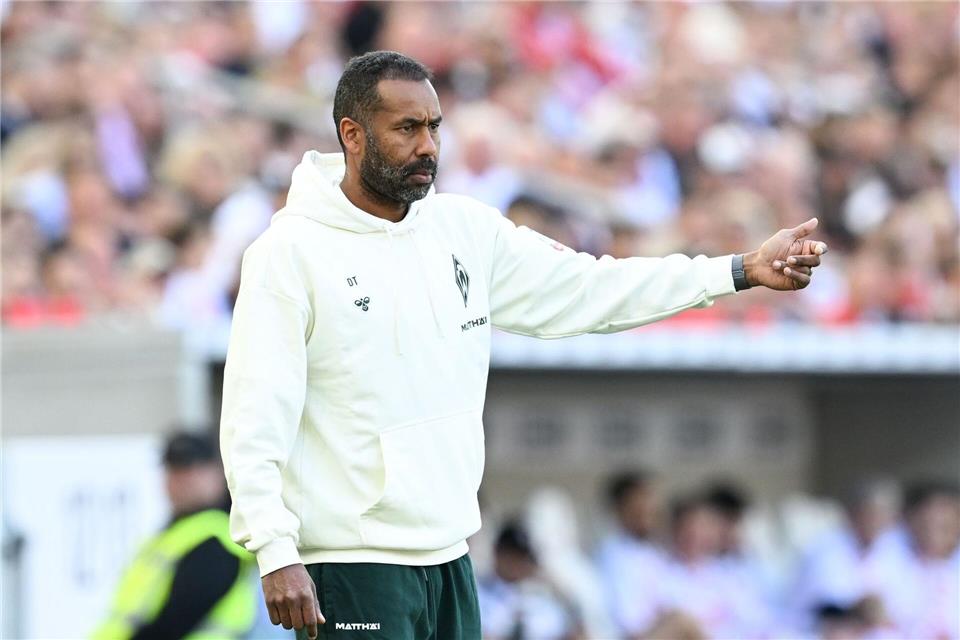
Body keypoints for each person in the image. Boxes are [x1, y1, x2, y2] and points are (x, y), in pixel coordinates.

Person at [219, 50, 829, 640]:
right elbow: (254, 417)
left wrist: (738, 270)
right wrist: (274, 549)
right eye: (406, 128)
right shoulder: (289, 254)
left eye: (434, 127)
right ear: (352, 135)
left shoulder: (463, 229)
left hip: (451, 558)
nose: (428, 146)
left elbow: (591, 287)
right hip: (353, 566)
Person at [93, 431, 258, 640]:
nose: (179, 480)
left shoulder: (218, 538)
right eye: (173, 469)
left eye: (190, 468)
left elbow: (174, 623)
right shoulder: (175, 533)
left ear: (217, 472)